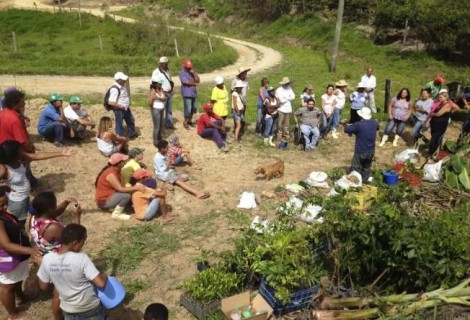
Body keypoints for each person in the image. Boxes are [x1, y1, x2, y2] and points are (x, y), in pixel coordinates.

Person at [37, 224, 108, 320]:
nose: (83, 245)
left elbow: (43, 286)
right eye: (83, 241)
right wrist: (104, 275)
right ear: (75, 243)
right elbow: (101, 283)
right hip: (89, 308)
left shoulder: (47, 259)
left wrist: (42, 267)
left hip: (68, 310)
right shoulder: (81, 258)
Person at [29, 191, 82, 320]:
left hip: (46, 255)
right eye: (55, 205)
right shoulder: (53, 227)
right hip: (58, 262)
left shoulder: (34, 218)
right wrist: (77, 217)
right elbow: (75, 239)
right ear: (49, 209)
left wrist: (66, 202)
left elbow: (53, 213)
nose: (57, 207)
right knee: (58, 294)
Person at [0, 141, 76, 229]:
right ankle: (20, 236)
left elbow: (37, 156)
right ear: (12, 156)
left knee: (24, 218)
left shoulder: (19, 158)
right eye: (19, 150)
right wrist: (2, 187)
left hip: (24, 196)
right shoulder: (3, 169)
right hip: (17, 201)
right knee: (18, 222)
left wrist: (61, 153)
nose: (21, 151)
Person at [0, 189, 41, 320]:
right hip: (8, 258)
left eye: (5, 203)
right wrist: (30, 250)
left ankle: (20, 296)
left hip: (17, 256)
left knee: (16, 280)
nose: (4, 207)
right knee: (8, 287)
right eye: (1, 205)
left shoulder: (2, 214)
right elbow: (6, 245)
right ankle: (13, 314)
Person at [0, 88, 37, 187]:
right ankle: (29, 185)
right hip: (17, 151)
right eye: (22, 101)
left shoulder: (3, 113)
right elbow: (23, 141)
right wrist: (32, 148)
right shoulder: (15, 119)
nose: (24, 103)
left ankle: (32, 181)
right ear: (14, 104)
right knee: (24, 170)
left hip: (5, 149)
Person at [95, 153, 146, 220]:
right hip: (104, 200)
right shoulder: (111, 174)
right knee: (126, 196)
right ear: (119, 163)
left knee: (129, 193)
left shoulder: (117, 171)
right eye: (124, 161)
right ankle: (116, 214)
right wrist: (136, 187)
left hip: (111, 196)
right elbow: (120, 189)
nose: (125, 162)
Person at [343, 107, 379, 183]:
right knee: (366, 167)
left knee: (356, 167)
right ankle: (364, 181)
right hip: (371, 151)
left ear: (361, 116)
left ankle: (356, 183)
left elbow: (347, 130)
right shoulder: (375, 123)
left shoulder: (358, 125)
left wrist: (345, 124)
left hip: (360, 150)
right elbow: (375, 128)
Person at [427, 91, 460, 157]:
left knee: (434, 139)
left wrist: (432, 114)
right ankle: (433, 151)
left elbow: (439, 114)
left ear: (446, 97)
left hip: (440, 125)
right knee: (434, 138)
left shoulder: (448, 104)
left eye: (441, 97)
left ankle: (431, 153)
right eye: (439, 97)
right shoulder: (441, 103)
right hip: (434, 123)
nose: (439, 98)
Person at [107, 71, 138, 139]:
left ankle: (131, 133)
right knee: (119, 124)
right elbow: (110, 102)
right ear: (119, 80)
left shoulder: (121, 86)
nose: (125, 80)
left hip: (125, 108)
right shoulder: (115, 89)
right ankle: (119, 137)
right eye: (123, 79)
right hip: (119, 109)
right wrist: (120, 106)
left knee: (130, 120)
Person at [151, 56, 175, 130]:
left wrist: (172, 88)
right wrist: (159, 93)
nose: (166, 65)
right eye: (164, 63)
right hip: (162, 93)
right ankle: (159, 126)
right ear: (160, 64)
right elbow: (153, 84)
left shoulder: (168, 70)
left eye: (167, 63)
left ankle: (169, 124)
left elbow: (170, 80)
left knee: (169, 110)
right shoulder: (156, 72)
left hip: (169, 92)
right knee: (161, 110)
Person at [179, 59, 200, 129]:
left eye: (190, 67)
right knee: (188, 109)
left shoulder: (192, 72)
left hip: (193, 93)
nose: (189, 68)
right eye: (188, 67)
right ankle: (185, 122)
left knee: (194, 108)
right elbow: (186, 82)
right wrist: (194, 84)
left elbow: (198, 80)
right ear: (184, 66)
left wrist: (194, 74)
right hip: (186, 93)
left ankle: (189, 120)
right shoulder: (182, 73)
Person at [149, 77, 167, 147]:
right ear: (156, 84)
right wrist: (158, 99)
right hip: (156, 109)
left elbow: (164, 98)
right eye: (160, 83)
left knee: (160, 125)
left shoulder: (161, 89)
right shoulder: (153, 91)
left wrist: (159, 98)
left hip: (161, 109)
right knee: (157, 126)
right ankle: (156, 141)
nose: (161, 84)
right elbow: (150, 102)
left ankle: (159, 138)